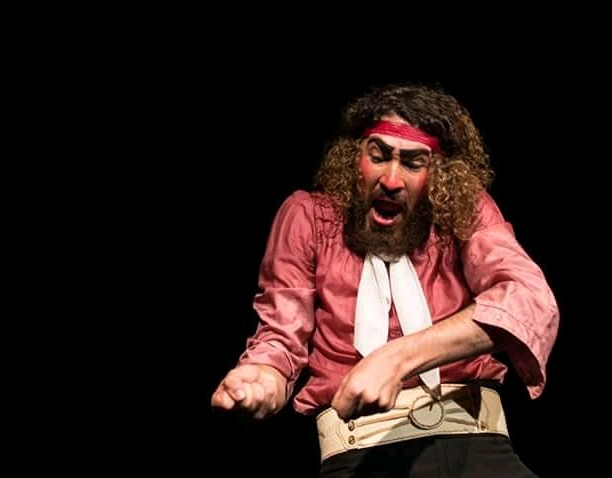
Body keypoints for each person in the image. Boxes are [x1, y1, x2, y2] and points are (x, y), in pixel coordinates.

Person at [210, 82, 559, 477]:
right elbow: (281, 334)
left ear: (438, 175)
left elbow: (528, 300)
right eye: (378, 156)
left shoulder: (463, 212)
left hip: (475, 443)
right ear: (353, 157)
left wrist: (396, 358)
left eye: (413, 163)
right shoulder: (309, 217)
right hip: (359, 454)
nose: (391, 179)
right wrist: (264, 376)